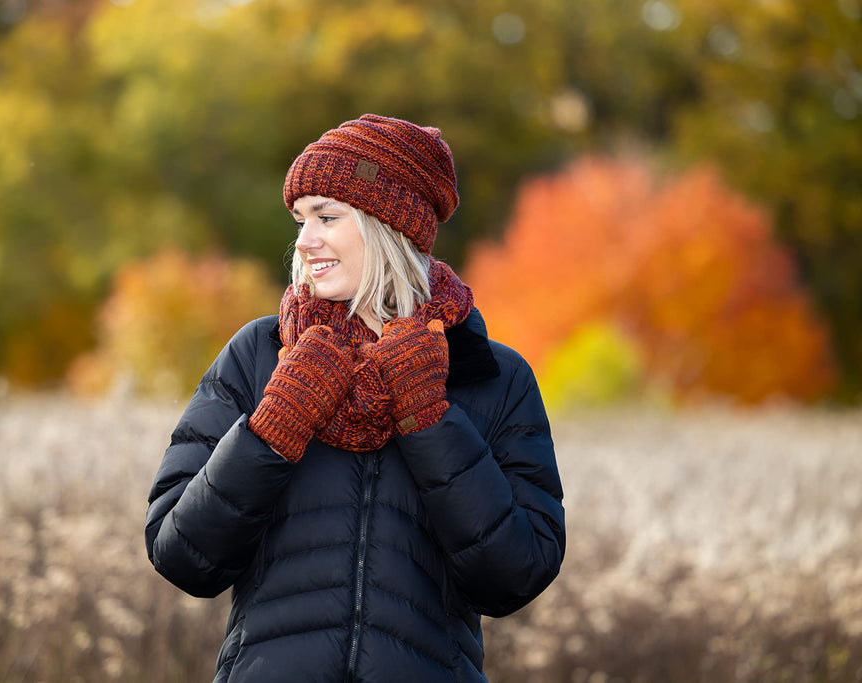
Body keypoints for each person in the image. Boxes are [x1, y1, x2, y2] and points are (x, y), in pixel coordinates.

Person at [145, 114, 565, 683]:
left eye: (326, 217)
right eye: (300, 219)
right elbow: (183, 556)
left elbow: (515, 576)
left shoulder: (489, 374)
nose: (304, 239)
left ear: (388, 225)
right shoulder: (260, 354)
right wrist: (275, 427)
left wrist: (429, 420)